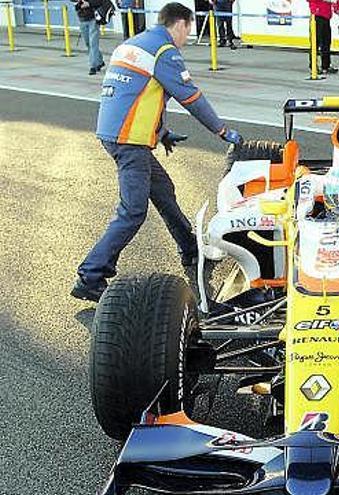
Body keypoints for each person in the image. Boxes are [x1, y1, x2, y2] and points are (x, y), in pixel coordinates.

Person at [72, 2, 243, 302]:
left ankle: (189, 248)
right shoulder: (165, 50)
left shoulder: (134, 43)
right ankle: (91, 275)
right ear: (181, 24)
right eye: (189, 30)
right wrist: (222, 131)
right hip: (130, 141)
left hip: (117, 133)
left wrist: (161, 132)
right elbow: (192, 99)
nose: (187, 38)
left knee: (163, 190)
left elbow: (136, 94)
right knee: (132, 212)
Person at [72, 0, 105, 75]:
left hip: (93, 19)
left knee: (93, 43)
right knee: (88, 43)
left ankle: (93, 66)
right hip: (82, 19)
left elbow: (100, 2)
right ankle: (100, 61)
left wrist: (89, 4)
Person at [309, 0, 338, 74]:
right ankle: (313, 66)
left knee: (326, 42)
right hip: (317, 15)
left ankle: (326, 66)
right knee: (316, 42)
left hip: (326, 16)